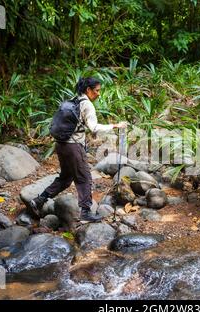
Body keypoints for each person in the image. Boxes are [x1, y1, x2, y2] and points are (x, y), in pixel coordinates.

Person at [30, 77, 127, 222]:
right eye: (97, 91)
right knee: (85, 178)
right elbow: (93, 127)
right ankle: (86, 213)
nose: (98, 94)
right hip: (73, 147)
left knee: (65, 178)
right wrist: (115, 126)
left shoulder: (74, 100)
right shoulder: (87, 105)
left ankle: (39, 201)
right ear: (88, 90)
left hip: (61, 145)